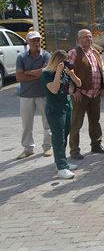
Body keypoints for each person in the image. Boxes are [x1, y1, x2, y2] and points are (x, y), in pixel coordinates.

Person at [67, 29, 104, 159]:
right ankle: (74, 151)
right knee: (76, 123)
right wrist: (74, 90)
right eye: (85, 37)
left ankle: (96, 145)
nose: (88, 39)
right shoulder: (74, 53)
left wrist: (102, 87)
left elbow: (100, 70)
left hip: (95, 93)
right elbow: (67, 73)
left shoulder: (94, 52)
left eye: (90, 37)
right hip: (81, 93)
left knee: (95, 121)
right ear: (79, 39)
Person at [41, 50, 82, 179]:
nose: (67, 63)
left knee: (65, 134)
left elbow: (79, 84)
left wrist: (71, 73)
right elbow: (53, 89)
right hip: (55, 109)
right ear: (57, 61)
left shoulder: (65, 72)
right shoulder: (46, 73)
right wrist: (58, 72)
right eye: (65, 61)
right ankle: (61, 168)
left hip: (66, 106)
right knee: (59, 137)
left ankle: (61, 161)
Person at [16, 31, 52, 159]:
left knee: (47, 122)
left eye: (38, 40)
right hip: (26, 95)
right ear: (28, 41)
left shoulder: (46, 55)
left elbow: (46, 72)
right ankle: (28, 148)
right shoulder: (21, 57)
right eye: (33, 40)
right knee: (26, 124)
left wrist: (28, 72)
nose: (36, 42)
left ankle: (47, 147)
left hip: (43, 93)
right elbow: (19, 77)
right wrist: (37, 74)